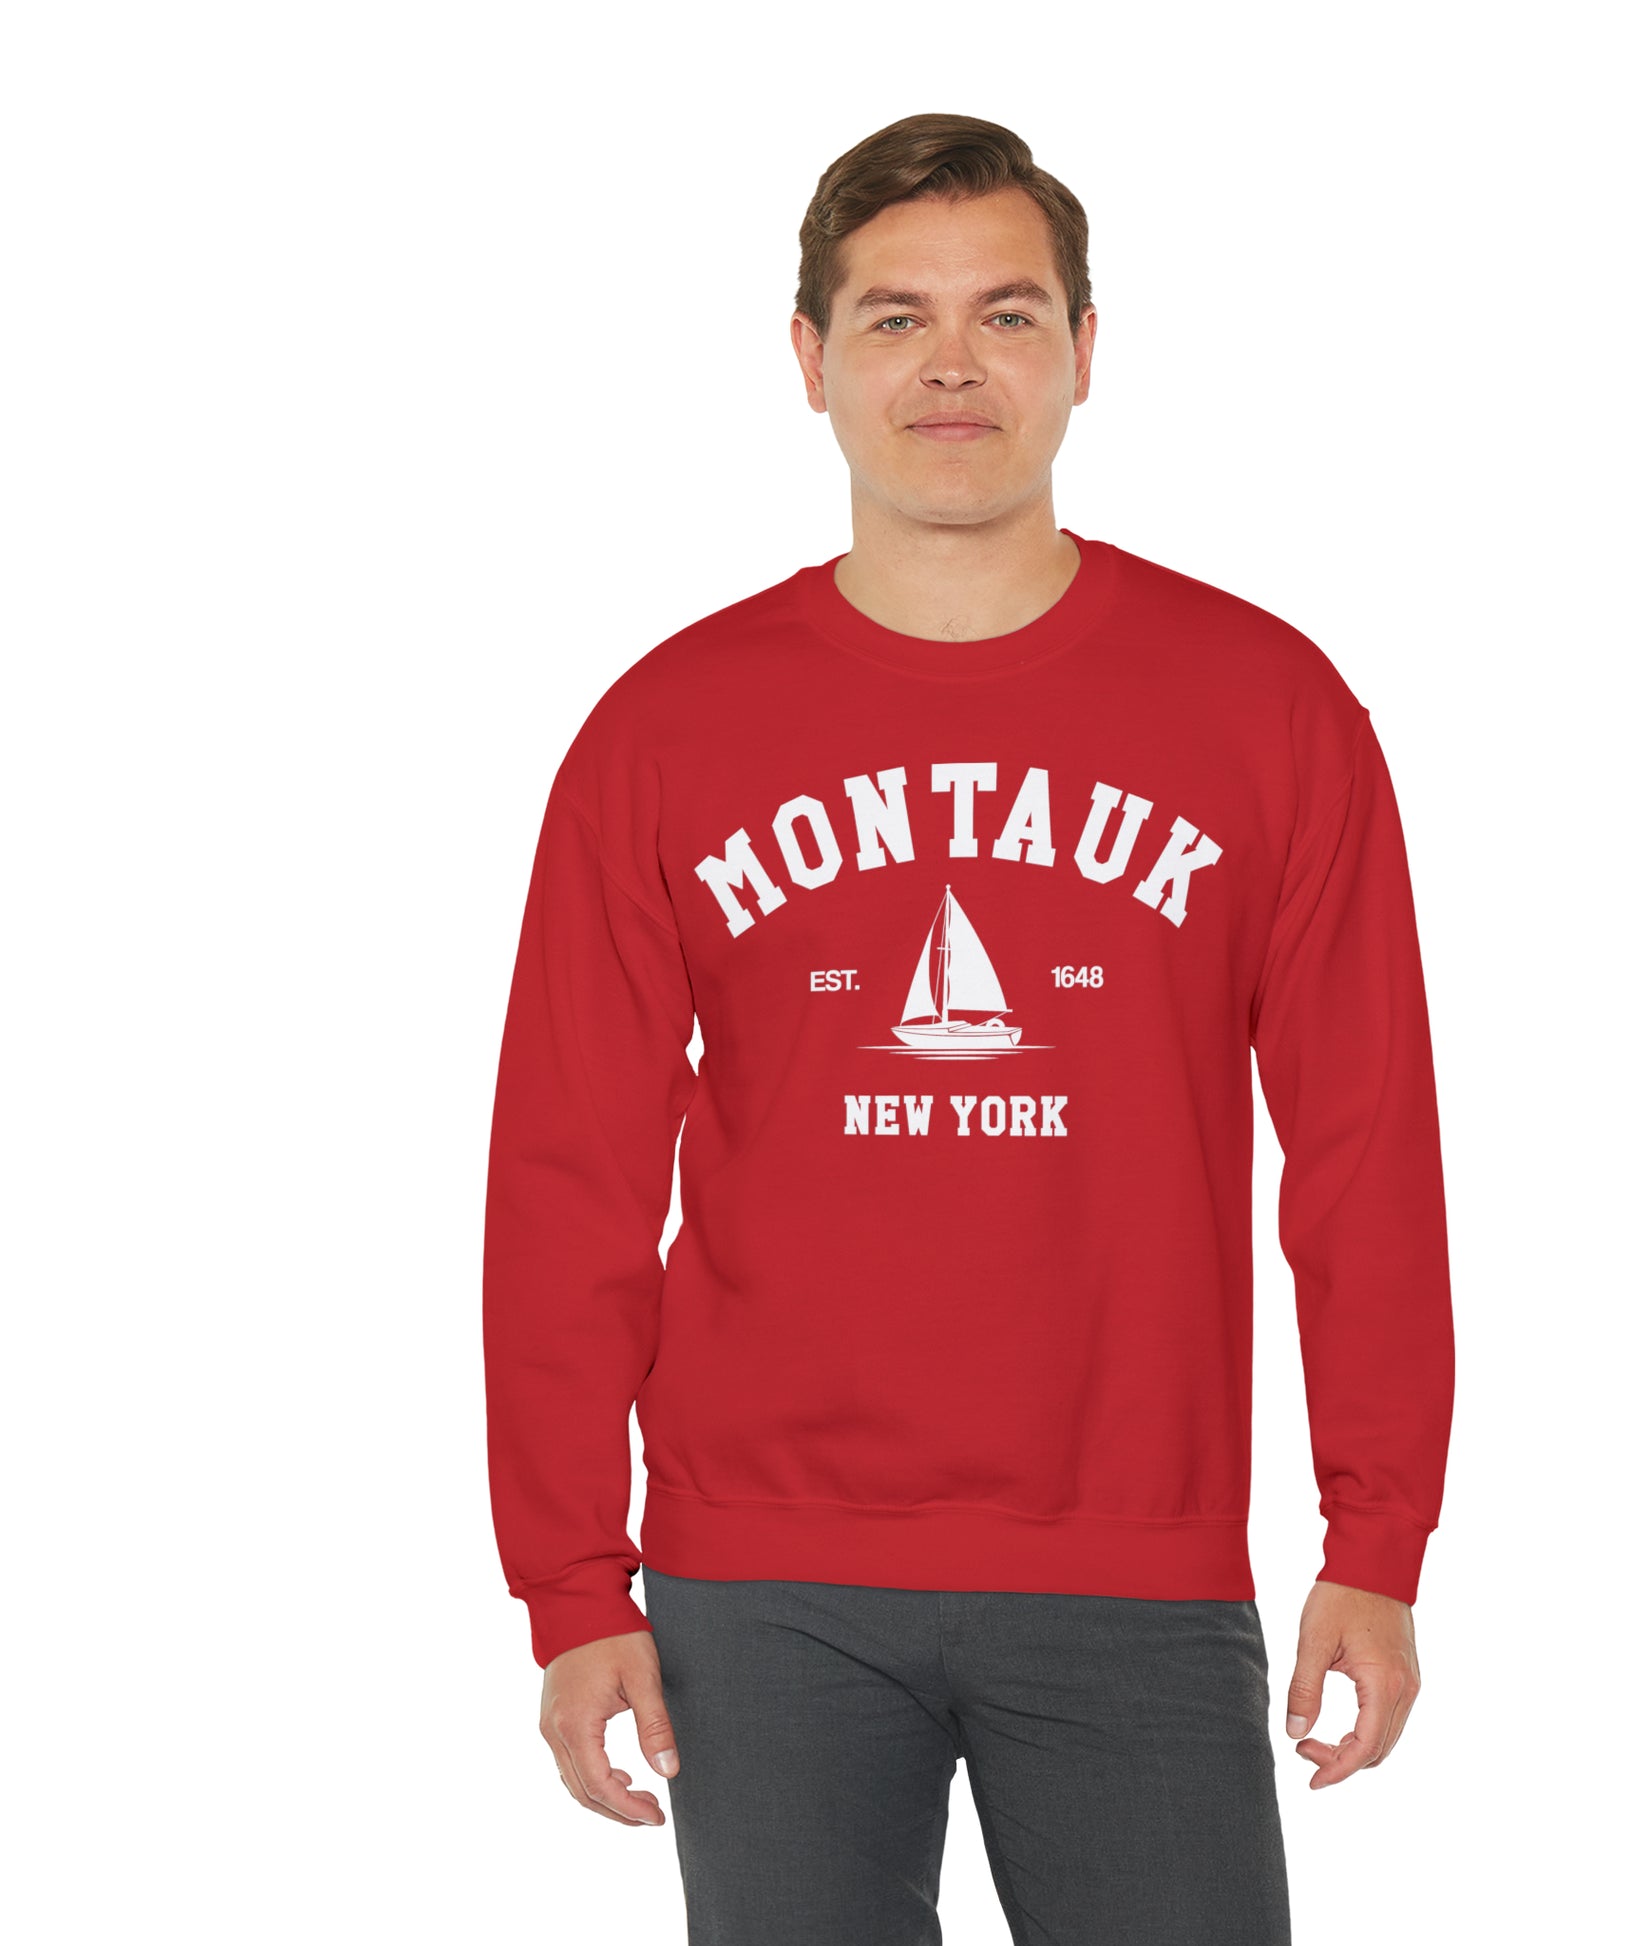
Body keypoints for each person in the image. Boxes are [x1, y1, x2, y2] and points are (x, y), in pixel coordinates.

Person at [483, 111, 1455, 1945]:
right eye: (893, 317)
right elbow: (566, 1181)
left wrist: (1376, 1534)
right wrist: (571, 1581)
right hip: (755, 1579)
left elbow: (1363, 1148)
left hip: (1135, 1560)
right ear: (809, 360)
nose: (950, 364)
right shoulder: (663, 731)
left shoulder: (1267, 708)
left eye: (1004, 314)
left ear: (1083, 350)